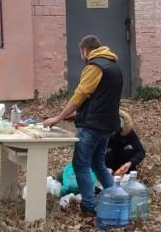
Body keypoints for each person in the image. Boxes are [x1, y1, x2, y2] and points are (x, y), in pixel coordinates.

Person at [43, 34, 123, 216]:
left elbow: (80, 95)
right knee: (98, 163)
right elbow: (102, 99)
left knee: (80, 164)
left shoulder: (94, 66)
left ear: (85, 50)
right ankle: (115, 198)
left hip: (93, 127)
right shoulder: (113, 66)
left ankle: (88, 206)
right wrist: (77, 115)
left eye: (81, 53)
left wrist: (58, 117)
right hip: (108, 124)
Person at [106, 107, 146, 177]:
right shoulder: (100, 134)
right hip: (105, 173)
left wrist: (130, 163)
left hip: (127, 173)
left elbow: (140, 151)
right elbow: (91, 156)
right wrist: (103, 169)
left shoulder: (128, 132)